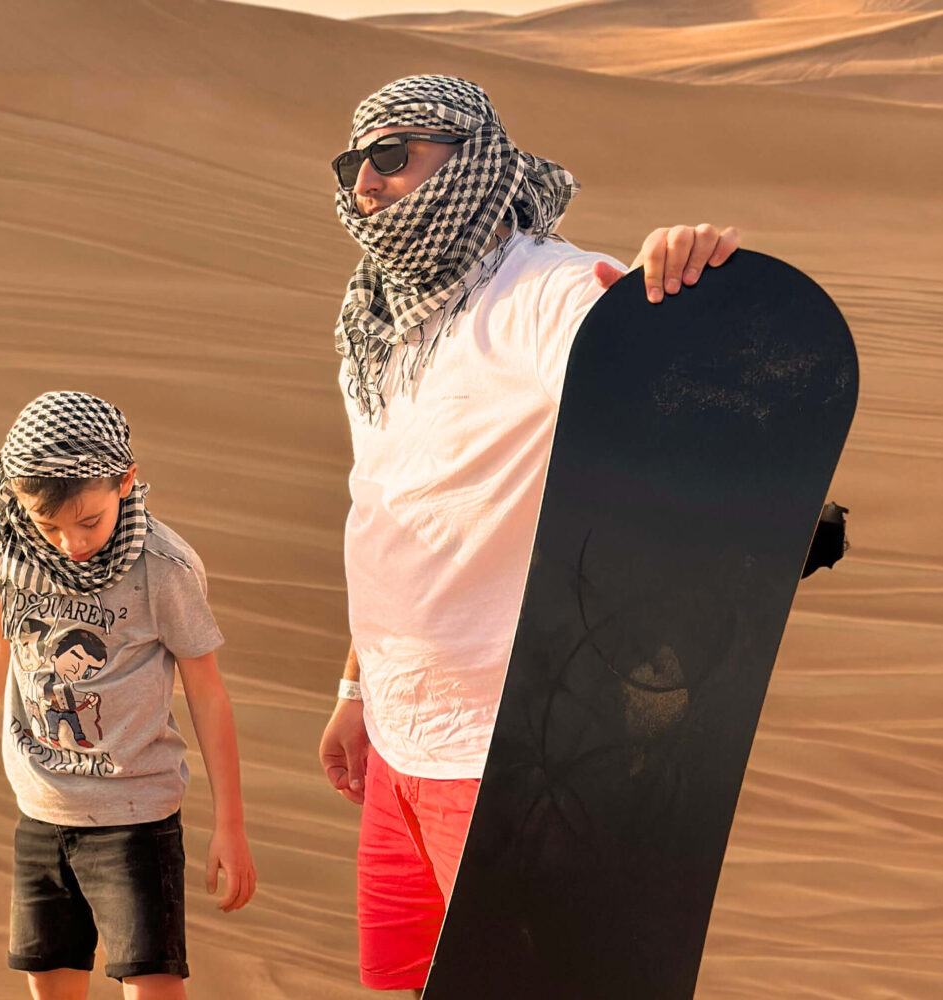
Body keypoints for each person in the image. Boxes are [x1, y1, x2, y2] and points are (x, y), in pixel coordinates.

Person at [315, 75, 741, 995]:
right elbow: (386, 503)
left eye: (394, 156)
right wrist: (355, 687)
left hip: (511, 752)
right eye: (356, 163)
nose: (367, 185)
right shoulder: (375, 327)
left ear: (471, 163)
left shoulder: (546, 291)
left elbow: (668, 391)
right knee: (397, 985)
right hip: (397, 739)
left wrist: (682, 289)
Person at [0, 391, 256, 1000]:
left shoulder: (163, 567)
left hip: (136, 821)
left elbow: (208, 694)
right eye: (48, 526)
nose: (70, 543)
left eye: (88, 522)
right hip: (42, 813)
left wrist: (229, 825)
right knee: (49, 984)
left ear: (125, 482)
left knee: (152, 985)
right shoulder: (13, 558)